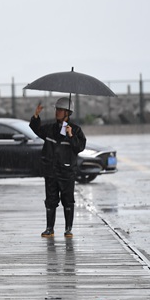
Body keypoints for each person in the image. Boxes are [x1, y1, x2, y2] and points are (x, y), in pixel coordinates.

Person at [29, 97, 87, 238]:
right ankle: (50, 228)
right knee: (50, 200)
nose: (57, 112)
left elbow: (79, 147)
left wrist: (71, 136)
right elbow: (36, 129)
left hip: (67, 171)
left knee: (68, 200)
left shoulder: (76, 130)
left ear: (68, 112)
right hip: (51, 171)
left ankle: (68, 229)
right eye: (57, 109)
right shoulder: (50, 129)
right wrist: (36, 116)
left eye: (60, 110)